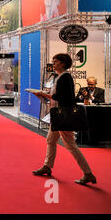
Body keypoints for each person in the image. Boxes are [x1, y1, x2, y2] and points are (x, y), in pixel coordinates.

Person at [32, 53, 97, 185]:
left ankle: (88, 173)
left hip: (63, 116)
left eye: (55, 61)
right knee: (51, 140)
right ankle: (47, 166)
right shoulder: (61, 77)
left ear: (62, 63)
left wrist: (44, 94)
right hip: (58, 115)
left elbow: (62, 98)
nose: (53, 63)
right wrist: (45, 96)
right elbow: (57, 97)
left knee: (70, 145)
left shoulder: (65, 77)